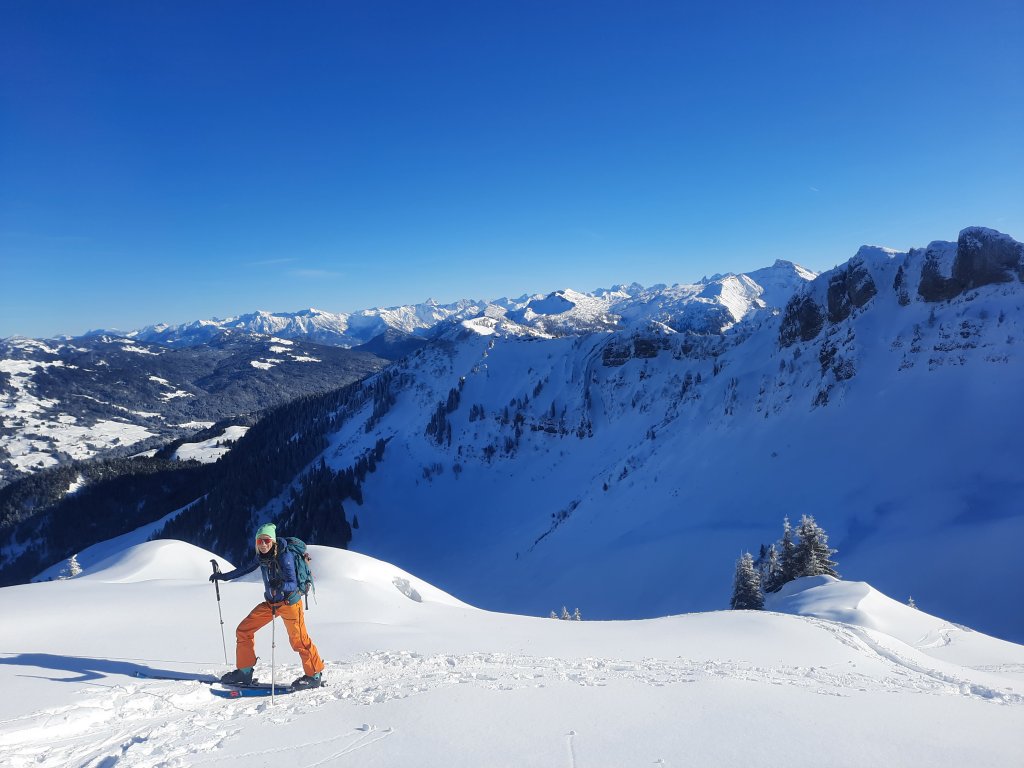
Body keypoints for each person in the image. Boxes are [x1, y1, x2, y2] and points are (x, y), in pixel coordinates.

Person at [210, 523, 325, 689]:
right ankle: (244, 671)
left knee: (299, 640)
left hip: (290, 603)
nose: (263, 544)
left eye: (266, 540)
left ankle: (314, 675)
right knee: (243, 630)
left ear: (273, 541)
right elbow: (245, 568)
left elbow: (292, 583)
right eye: (259, 541)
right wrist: (223, 577)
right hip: (272, 603)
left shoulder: (284, 556)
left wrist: (281, 585)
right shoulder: (262, 556)